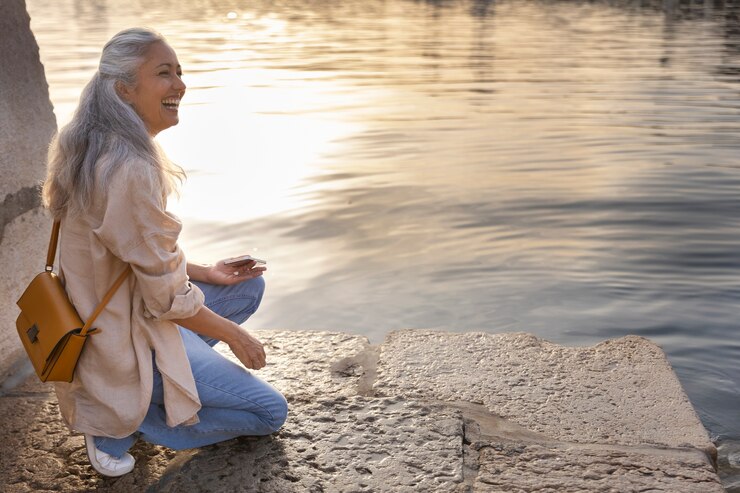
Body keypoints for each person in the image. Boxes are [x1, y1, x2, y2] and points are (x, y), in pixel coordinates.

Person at [41, 27, 288, 477]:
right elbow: (167, 299)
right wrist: (236, 337)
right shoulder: (128, 168)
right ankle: (126, 419)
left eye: (179, 71)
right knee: (267, 413)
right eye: (164, 73)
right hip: (124, 342)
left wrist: (207, 272)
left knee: (244, 289)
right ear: (125, 91)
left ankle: (144, 396)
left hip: (114, 315)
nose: (179, 84)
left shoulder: (90, 142)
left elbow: (134, 257)